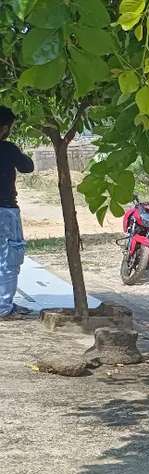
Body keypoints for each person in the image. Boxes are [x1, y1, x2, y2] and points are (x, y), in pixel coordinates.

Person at [0, 105, 34, 319]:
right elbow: (27, 167)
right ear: (3, 128)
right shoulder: (8, 149)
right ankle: (3, 307)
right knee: (9, 259)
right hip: (5, 211)